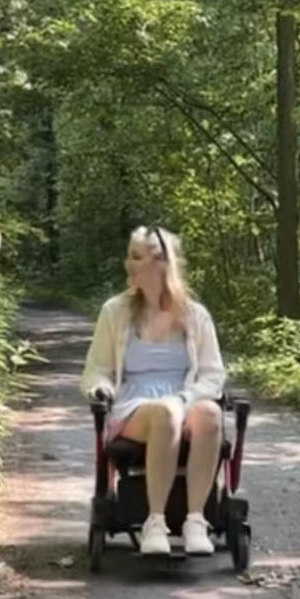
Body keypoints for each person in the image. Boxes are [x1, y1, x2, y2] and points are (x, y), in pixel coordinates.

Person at [81, 225, 225, 556]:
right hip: (135, 406)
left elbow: (212, 375)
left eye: (136, 257)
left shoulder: (195, 315)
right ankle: (155, 522)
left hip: (184, 398)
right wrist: (101, 387)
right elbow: (97, 369)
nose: (127, 264)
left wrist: (185, 398)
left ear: (161, 263)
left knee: (210, 414)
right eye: (129, 256)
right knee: (165, 413)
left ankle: (196, 520)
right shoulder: (114, 312)